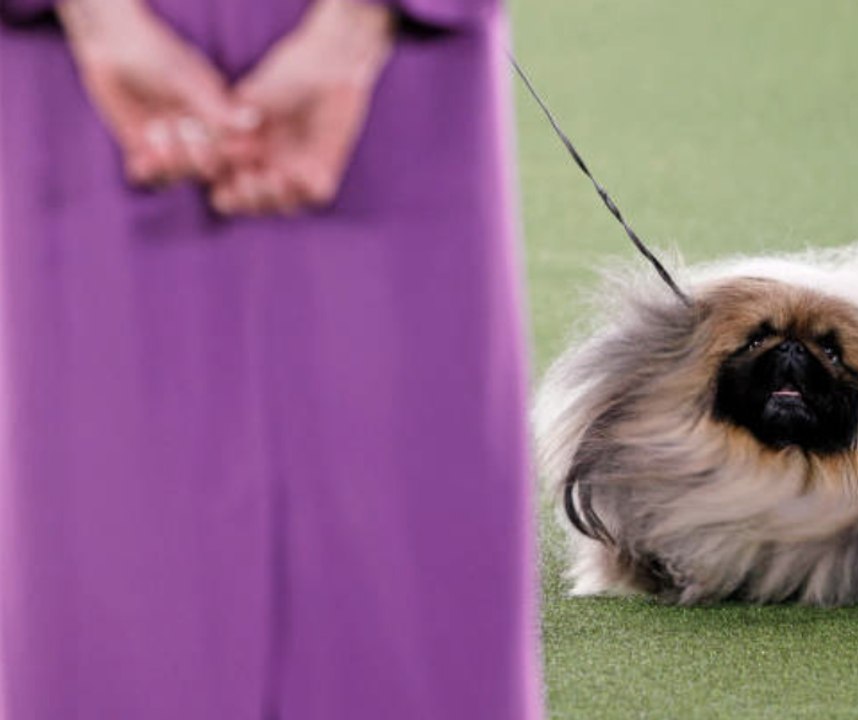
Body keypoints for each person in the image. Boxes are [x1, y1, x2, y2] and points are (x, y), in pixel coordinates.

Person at [0, 0, 543, 717]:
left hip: (390, 73)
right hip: (83, 74)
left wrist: (354, 27)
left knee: (401, 558)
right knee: (110, 558)